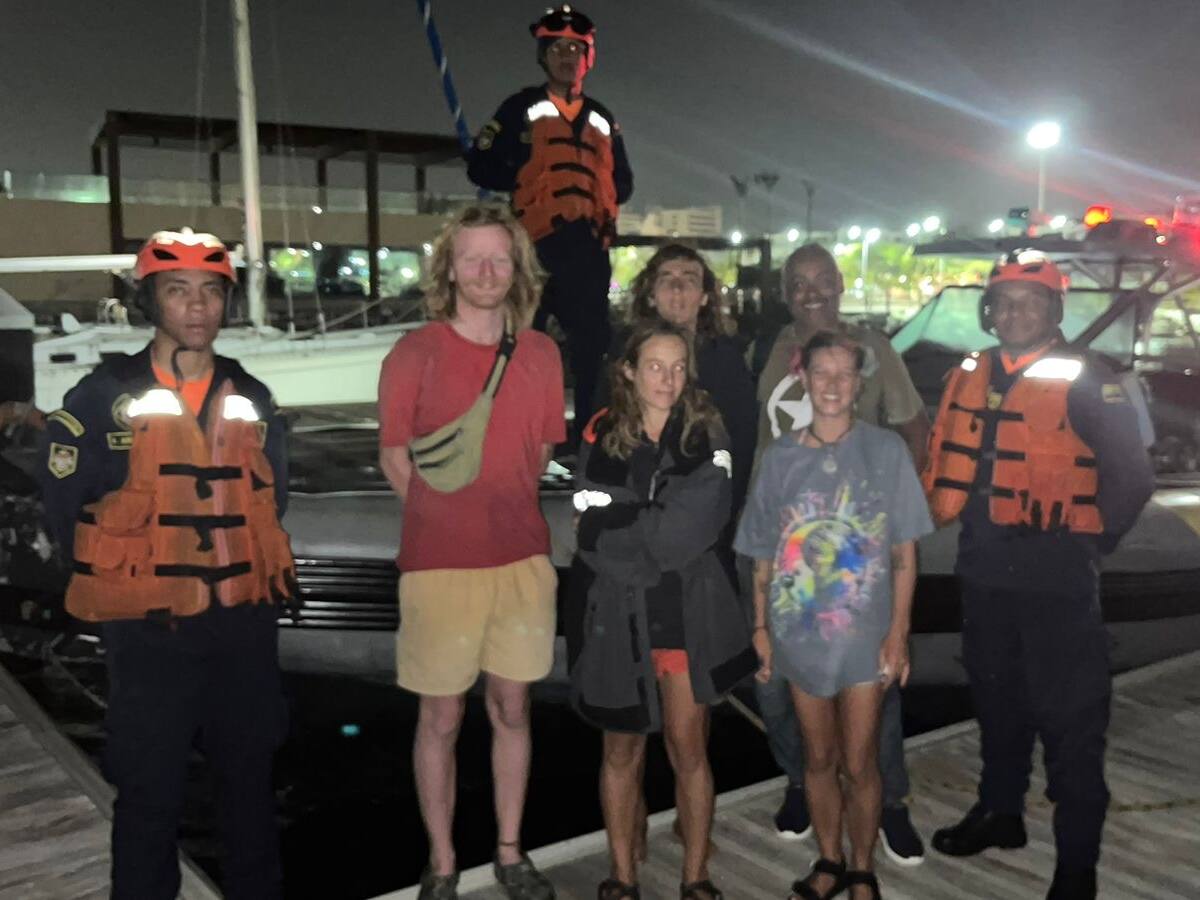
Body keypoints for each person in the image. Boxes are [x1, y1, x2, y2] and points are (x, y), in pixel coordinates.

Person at [37, 229, 294, 900]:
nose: (197, 307)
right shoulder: (100, 399)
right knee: (149, 795)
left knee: (250, 793)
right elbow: (66, 511)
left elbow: (276, 497)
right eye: (178, 291)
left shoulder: (254, 396)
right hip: (149, 636)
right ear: (150, 299)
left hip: (243, 629)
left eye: (211, 291)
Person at [925, 252, 1155, 900]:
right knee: (997, 706)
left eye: (1030, 300)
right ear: (988, 310)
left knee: (1071, 724)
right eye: (1004, 300)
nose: (1014, 311)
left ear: (1053, 311)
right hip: (986, 571)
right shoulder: (970, 373)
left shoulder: (1090, 380)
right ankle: (1001, 814)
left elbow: (1133, 478)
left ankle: (1076, 867)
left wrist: (1090, 540)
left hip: (1057, 579)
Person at [377, 205, 565, 900]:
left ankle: (510, 852)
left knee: (513, 710)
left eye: (499, 259)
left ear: (517, 269)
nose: (486, 272)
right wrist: (446, 524)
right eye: (472, 259)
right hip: (437, 568)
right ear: (448, 269)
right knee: (440, 717)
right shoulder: (413, 353)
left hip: (521, 562)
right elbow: (395, 460)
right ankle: (444, 860)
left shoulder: (542, 354)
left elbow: (540, 453)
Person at [736, 330, 932, 900]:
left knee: (860, 760)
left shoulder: (885, 451)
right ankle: (829, 857)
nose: (832, 386)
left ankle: (863, 866)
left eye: (844, 375)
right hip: (800, 637)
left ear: (859, 383)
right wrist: (760, 627)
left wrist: (898, 635)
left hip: (865, 640)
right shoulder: (780, 457)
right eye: (821, 373)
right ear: (803, 378)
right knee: (817, 758)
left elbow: (904, 554)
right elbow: (762, 555)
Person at [567, 321, 757, 900]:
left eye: (678, 367)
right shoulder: (600, 432)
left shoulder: (710, 433)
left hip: (685, 614)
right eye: (654, 365)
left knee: (688, 747)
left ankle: (694, 875)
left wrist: (629, 527)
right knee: (620, 747)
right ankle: (622, 876)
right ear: (628, 370)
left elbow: (691, 530)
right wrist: (643, 533)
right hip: (616, 616)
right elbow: (585, 522)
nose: (668, 379)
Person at [468, 4, 634, 442]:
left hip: (588, 252)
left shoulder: (603, 117)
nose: (566, 56)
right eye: (557, 48)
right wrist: (523, 174)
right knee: (523, 347)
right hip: (534, 248)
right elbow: (480, 166)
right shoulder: (519, 106)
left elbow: (624, 181)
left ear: (587, 58)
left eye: (575, 49)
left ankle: (589, 441)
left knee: (592, 353)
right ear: (543, 56)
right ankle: (518, 438)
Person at [599, 243, 757, 521]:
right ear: (650, 295)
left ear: (705, 297)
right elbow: (602, 432)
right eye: (667, 279)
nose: (677, 288)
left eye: (689, 279)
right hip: (633, 512)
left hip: (708, 513)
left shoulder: (728, 362)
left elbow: (742, 443)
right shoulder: (623, 357)